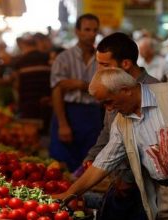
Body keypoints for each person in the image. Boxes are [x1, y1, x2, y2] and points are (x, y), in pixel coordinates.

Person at [54, 67, 168, 220]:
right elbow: (103, 162)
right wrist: (69, 194)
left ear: (126, 90)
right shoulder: (121, 122)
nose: (109, 109)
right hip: (163, 193)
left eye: (109, 101)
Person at [84, 32, 159, 220]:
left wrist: (127, 178)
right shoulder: (111, 87)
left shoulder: (153, 91)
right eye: (98, 64)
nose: (99, 71)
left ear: (125, 64)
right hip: (118, 179)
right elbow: (108, 131)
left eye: (105, 65)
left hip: (144, 187)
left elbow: (150, 145)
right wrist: (93, 157)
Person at [49, 13, 102, 172]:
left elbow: (105, 89)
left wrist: (81, 85)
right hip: (68, 112)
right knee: (63, 164)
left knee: (89, 163)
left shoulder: (101, 60)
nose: (91, 34)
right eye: (87, 29)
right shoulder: (64, 58)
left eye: (94, 30)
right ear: (77, 31)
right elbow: (57, 91)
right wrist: (63, 124)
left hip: (94, 115)